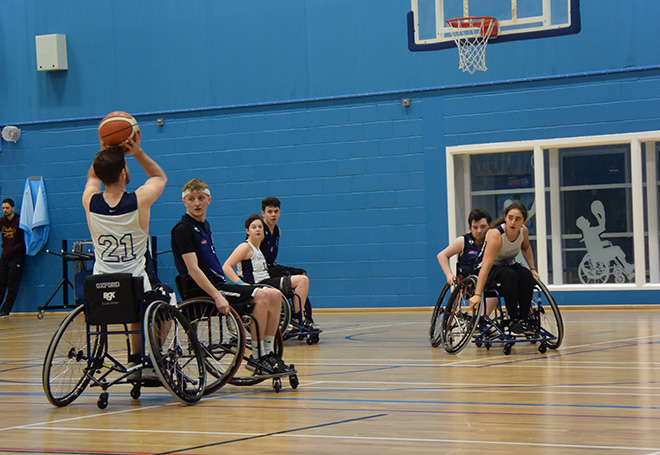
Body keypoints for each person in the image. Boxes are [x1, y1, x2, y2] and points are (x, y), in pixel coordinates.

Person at [171, 179, 290, 373]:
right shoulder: (183, 229)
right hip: (202, 290)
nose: (197, 203)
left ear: (209, 200)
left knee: (274, 294)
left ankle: (268, 352)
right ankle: (258, 355)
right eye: (191, 199)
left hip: (219, 284)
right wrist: (217, 295)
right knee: (261, 296)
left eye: (201, 198)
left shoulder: (204, 226)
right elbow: (193, 269)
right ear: (184, 202)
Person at [82, 131, 167, 379]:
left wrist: (104, 150)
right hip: (134, 288)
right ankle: (150, 359)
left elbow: (90, 178)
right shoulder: (139, 201)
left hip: (101, 291)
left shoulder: (89, 201)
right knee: (165, 298)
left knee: (132, 301)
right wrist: (137, 152)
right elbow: (158, 176)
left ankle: (133, 361)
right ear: (123, 173)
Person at [222, 213, 310, 328]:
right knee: (302, 280)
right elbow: (226, 266)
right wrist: (241, 284)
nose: (258, 230)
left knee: (301, 278)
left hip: (266, 281)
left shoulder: (257, 247)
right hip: (258, 284)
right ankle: (298, 318)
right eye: (254, 227)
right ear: (247, 231)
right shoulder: (245, 247)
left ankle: (296, 316)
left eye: (260, 227)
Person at [468, 201, 540, 337]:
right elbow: (486, 265)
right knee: (509, 275)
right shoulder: (496, 234)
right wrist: (477, 294)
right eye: (510, 218)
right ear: (505, 218)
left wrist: (532, 269)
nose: (513, 222)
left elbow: (526, 248)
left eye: (517, 219)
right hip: (486, 268)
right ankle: (514, 321)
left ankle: (524, 320)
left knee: (525, 275)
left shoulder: (523, 231)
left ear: (524, 221)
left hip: (507, 265)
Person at [260, 197, 317, 328]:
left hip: (272, 266)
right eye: (269, 211)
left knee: (302, 273)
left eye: (276, 211)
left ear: (280, 212)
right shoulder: (259, 230)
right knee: (300, 279)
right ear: (263, 213)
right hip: (262, 270)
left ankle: (298, 314)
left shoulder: (277, 231)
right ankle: (298, 316)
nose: (273, 214)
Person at [437, 208, 498, 317]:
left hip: (487, 281)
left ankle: (483, 319)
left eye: (483, 227)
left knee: (497, 286)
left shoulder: (494, 241)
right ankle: (481, 319)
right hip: (468, 283)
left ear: (489, 227)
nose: (479, 231)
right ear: (470, 228)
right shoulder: (463, 241)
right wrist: (449, 275)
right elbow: (442, 255)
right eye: (475, 228)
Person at [0, 199, 26, 318]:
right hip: (4, 257)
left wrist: (11, 250)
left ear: (13, 208)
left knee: (12, 284)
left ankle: (5, 310)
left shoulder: (19, 221)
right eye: (3, 208)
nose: (5, 210)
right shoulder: (2, 221)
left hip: (16, 257)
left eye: (7, 208)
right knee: (1, 283)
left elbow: (23, 242)